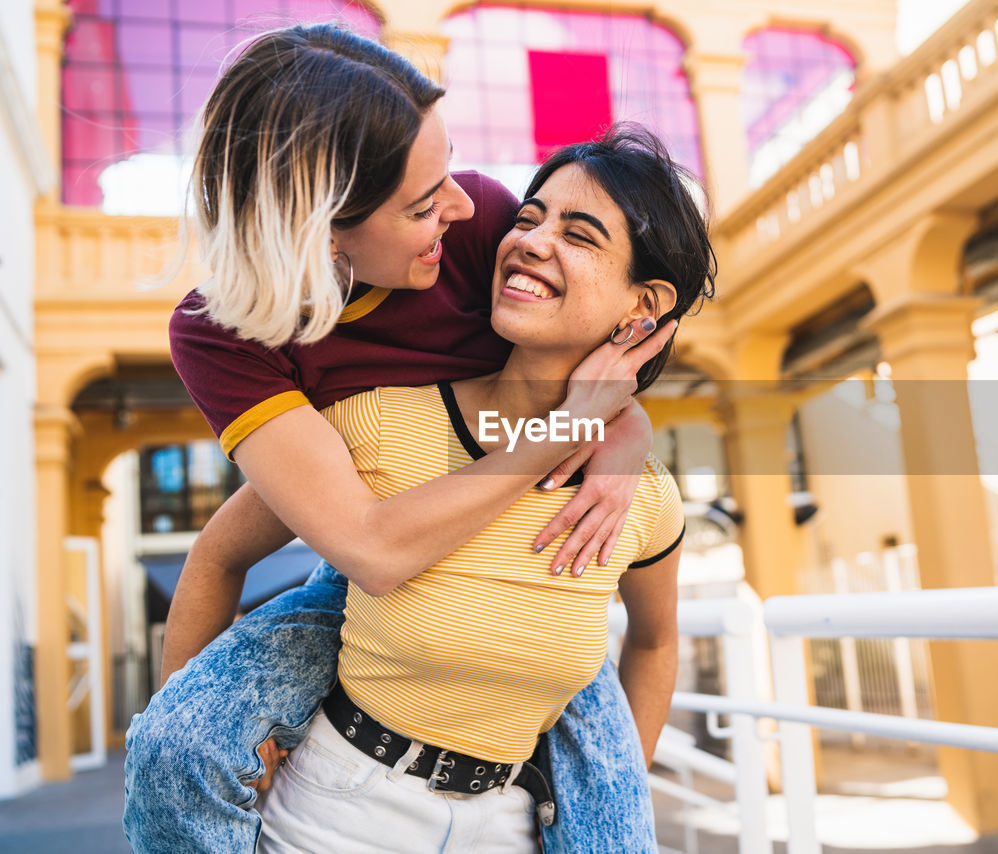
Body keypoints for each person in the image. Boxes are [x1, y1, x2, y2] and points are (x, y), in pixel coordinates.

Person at [122, 24, 684, 854]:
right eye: (423, 202)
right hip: (365, 559)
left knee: (609, 800)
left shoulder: (478, 223)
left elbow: (571, 350)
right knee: (175, 747)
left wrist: (622, 424)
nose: (464, 208)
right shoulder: (225, 335)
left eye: (448, 171)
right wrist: (215, 724)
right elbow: (364, 551)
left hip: (517, 587)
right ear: (323, 227)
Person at [256, 124, 713, 852]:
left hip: (513, 823)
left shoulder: (642, 498)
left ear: (643, 306)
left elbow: (656, 643)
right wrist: (218, 731)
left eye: (580, 235)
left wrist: (618, 786)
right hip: (334, 815)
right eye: (529, 219)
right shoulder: (375, 420)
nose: (530, 241)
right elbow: (218, 557)